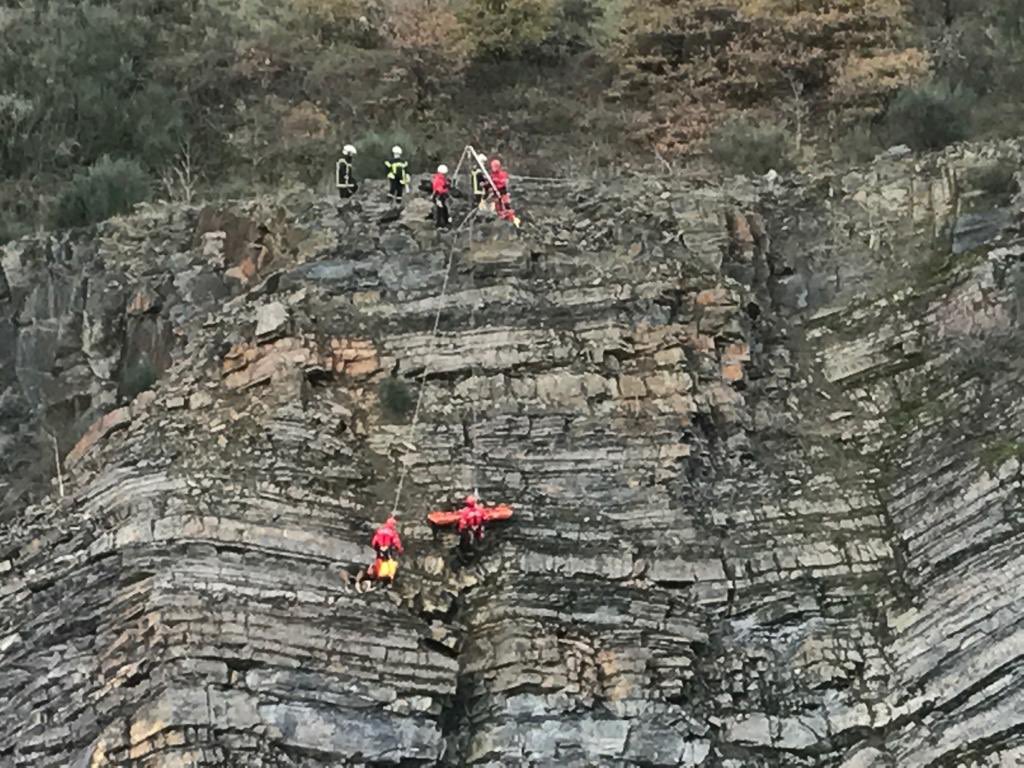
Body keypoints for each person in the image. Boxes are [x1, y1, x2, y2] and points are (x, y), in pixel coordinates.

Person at [365, 515, 403, 585]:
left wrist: (375, 546)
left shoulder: (380, 530)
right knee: (387, 560)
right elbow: (396, 541)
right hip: (388, 547)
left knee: (381, 560)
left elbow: (375, 540)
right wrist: (399, 549)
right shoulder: (393, 532)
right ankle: (385, 576)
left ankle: (381, 575)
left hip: (380, 547)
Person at [488, 158, 520, 226]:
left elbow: (504, 182)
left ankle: (513, 220)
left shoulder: (503, 174)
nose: (493, 168)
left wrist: (496, 181)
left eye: (494, 166)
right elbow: (490, 184)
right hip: (496, 194)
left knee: (506, 206)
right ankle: (502, 217)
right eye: (492, 166)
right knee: (498, 207)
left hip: (502, 193)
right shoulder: (491, 175)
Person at [431, 164, 452, 230]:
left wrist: (446, 185)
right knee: (440, 211)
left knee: (443, 209)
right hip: (438, 196)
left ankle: (444, 223)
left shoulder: (440, 178)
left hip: (440, 196)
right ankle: (440, 225)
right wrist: (446, 187)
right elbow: (439, 189)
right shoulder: (439, 179)